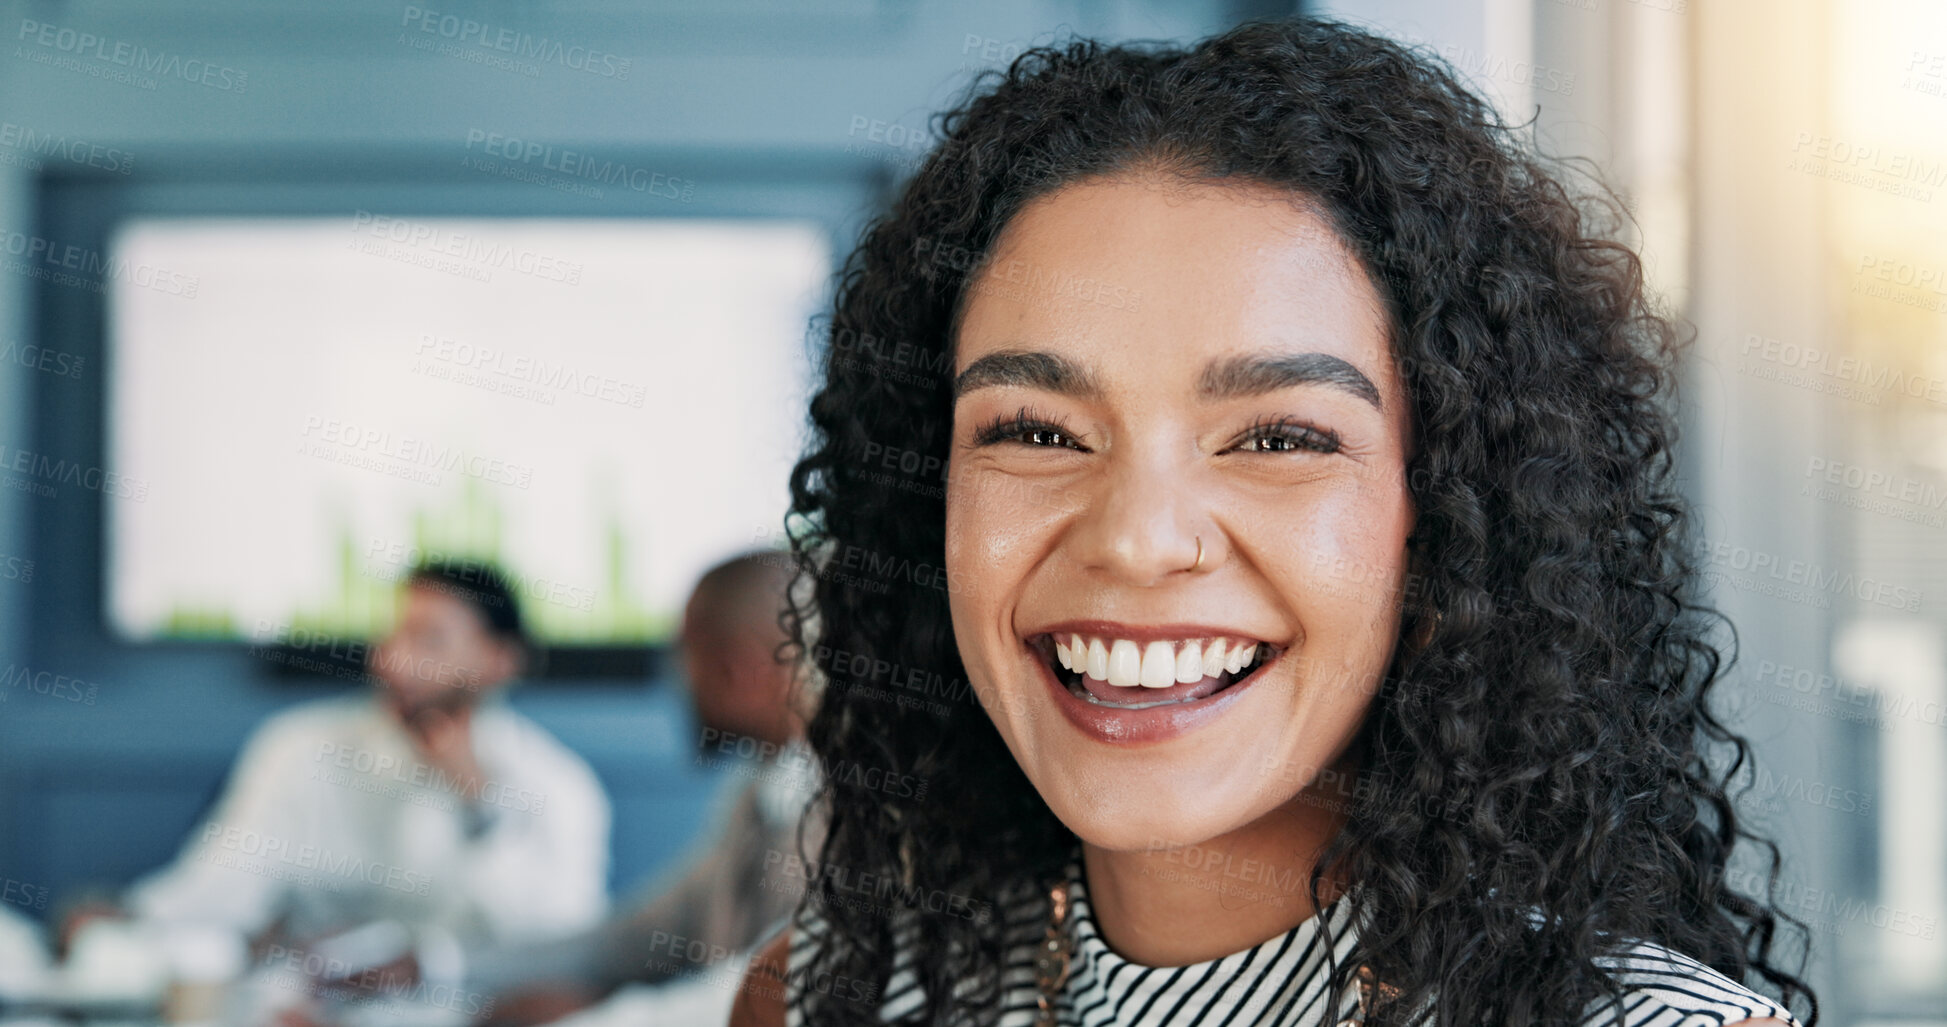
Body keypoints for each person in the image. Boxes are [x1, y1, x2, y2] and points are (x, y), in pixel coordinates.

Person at [734, 17, 1817, 1027]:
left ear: (1443, 523)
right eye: (1038, 430)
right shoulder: (829, 990)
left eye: (1278, 438)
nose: (1137, 537)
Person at [123, 559, 611, 1021]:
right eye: (394, 634)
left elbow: (559, 949)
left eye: (430, 640)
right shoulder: (302, 750)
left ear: (500, 660)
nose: (393, 661)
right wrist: (126, 921)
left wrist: (478, 806)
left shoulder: (559, 788)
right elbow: (221, 887)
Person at [459, 551, 814, 1026]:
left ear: (739, 669)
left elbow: (752, 995)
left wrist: (593, 1014)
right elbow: (635, 939)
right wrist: (444, 966)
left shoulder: (855, 817)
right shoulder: (760, 791)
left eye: (686, 652)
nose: (678, 678)